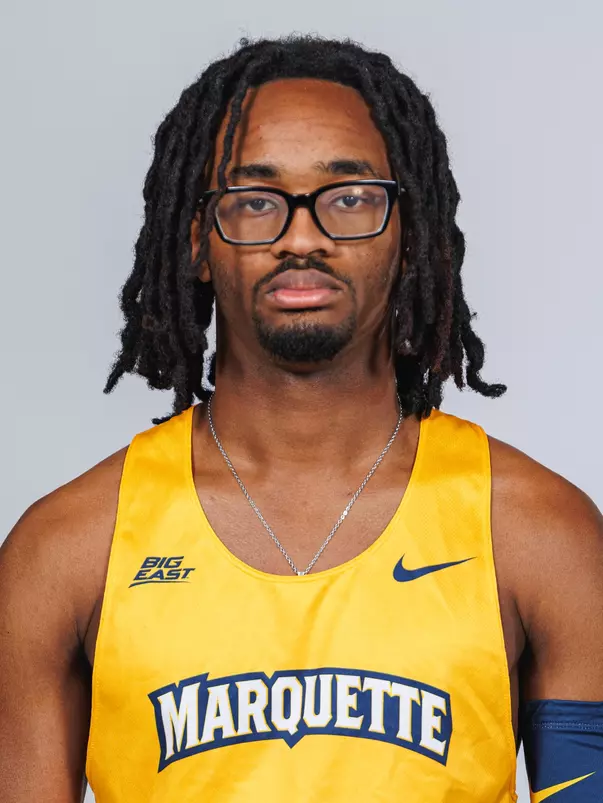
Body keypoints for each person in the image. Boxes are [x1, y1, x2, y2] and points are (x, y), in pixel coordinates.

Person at [1, 34, 601, 803]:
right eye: (253, 201)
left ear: (408, 233)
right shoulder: (68, 546)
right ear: (195, 238)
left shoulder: (537, 533)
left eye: (349, 197)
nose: (301, 236)